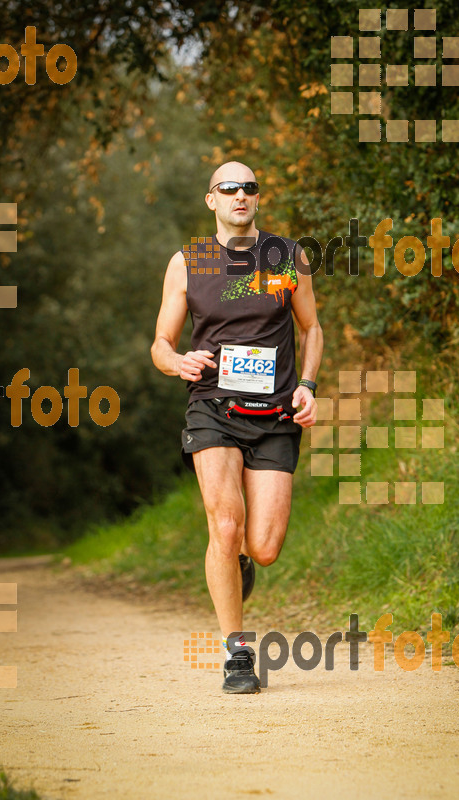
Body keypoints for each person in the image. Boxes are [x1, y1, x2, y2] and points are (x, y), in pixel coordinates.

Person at [151, 161, 323, 693]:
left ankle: (242, 561)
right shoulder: (188, 262)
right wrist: (176, 361)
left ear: (257, 198)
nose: (241, 195)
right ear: (212, 200)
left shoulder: (286, 256)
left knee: (263, 546)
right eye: (229, 188)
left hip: (274, 414)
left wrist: (309, 385)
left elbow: (312, 328)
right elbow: (159, 343)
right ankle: (237, 655)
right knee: (224, 525)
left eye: (249, 187)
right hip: (213, 408)